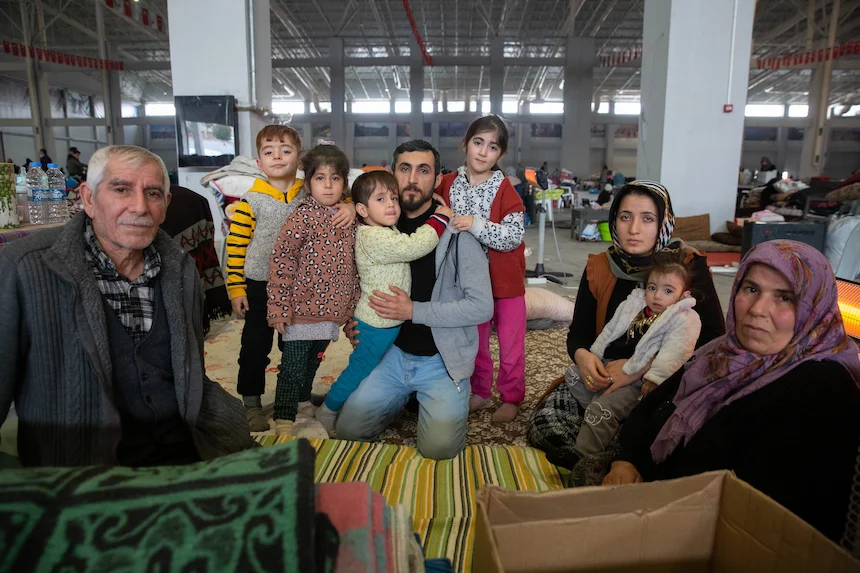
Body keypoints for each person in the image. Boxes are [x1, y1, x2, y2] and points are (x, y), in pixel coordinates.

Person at [0, 145, 256, 468]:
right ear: (88, 199)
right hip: (83, 468)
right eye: (121, 189)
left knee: (293, 496)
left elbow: (190, 376)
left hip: (184, 451)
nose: (140, 207)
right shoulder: (23, 269)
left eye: (153, 193)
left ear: (166, 206)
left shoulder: (181, 269)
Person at [603, 240, 860, 544]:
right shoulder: (722, 351)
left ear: (812, 308)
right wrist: (624, 461)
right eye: (751, 289)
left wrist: (649, 505)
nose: (757, 310)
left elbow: (764, 516)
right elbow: (651, 405)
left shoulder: (823, 388)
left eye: (784, 297)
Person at [527, 181, 726, 468]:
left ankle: (609, 454)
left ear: (663, 223)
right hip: (604, 377)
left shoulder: (686, 268)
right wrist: (584, 358)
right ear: (614, 221)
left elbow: (712, 338)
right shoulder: (600, 266)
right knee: (547, 424)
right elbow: (579, 332)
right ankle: (606, 454)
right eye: (625, 217)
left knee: (675, 428)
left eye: (647, 218)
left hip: (660, 381)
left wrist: (637, 369)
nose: (634, 229)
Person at [335, 140, 494, 460]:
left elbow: (481, 306)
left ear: (437, 179)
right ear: (392, 174)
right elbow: (353, 277)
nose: (412, 178)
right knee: (347, 430)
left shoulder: (457, 231)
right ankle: (407, 397)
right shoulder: (372, 224)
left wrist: (413, 310)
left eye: (423, 170)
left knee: (439, 449)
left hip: (441, 361)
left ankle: (439, 398)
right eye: (404, 169)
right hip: (390, 354)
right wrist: (352, 319)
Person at [225, 125, 355, 431]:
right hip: (260, 284)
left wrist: (348, 205)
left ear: (299, 159)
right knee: (255, 345)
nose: (278, 157)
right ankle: (252, 402)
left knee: (296, 348)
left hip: (301, 288)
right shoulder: (251, 200)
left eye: (286, 151)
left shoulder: (310, 189)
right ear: (259, 163)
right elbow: (235, 246)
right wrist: (235, 287)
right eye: (269, 152)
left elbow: (344, 194)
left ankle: (299, 394)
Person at [314, 170, 452, 435]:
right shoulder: (374, 237)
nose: (391, 204)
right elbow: (415, 245)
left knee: (367, 368)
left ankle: (342, 402)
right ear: (363, 209)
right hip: (376, 323)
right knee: (359, 370)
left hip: (386, 322)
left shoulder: (382, 228)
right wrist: (441, 217)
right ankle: (327, 411)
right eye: (381, 199)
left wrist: (434, 200)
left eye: (393, 198)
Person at [565, 256, 701, 463]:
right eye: (652, 287)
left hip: (638, 380)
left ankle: (582, 457)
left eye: (668, 291)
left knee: (600, 410)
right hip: (611, 365)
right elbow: (611, 329)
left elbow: (676, 353)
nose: (657, 296)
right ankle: (604, 418)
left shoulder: (682, 318)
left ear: (684, 295)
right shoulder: (634, 304)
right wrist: (594, 354)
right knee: (573, 375)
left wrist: (654, 379)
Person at [437, 115, 527, 423]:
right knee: (474, 343)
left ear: (500, 155)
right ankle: (480, 391)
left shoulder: (507, 191)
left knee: (510, 342)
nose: (483, 151)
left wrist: (476, 224)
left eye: (492, 147)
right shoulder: (446, 183)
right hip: (467, 283)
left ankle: (512, 396)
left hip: (505, 284)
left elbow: (514, 236)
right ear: (465, 144)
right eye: (478, 142)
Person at [266, 144, 360, 437]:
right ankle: (283, 417)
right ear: (308, 184)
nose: (328, 185)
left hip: (333, 312)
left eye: (335, 178)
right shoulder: (301, 216)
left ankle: (303, 399)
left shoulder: (352, 218)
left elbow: (357, 263)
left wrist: (352, 305)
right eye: (320, 178)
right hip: (302, 310)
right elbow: (282, 260)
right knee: (292, 365)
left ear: (345, 183)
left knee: (313, 360)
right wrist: (279, 306)